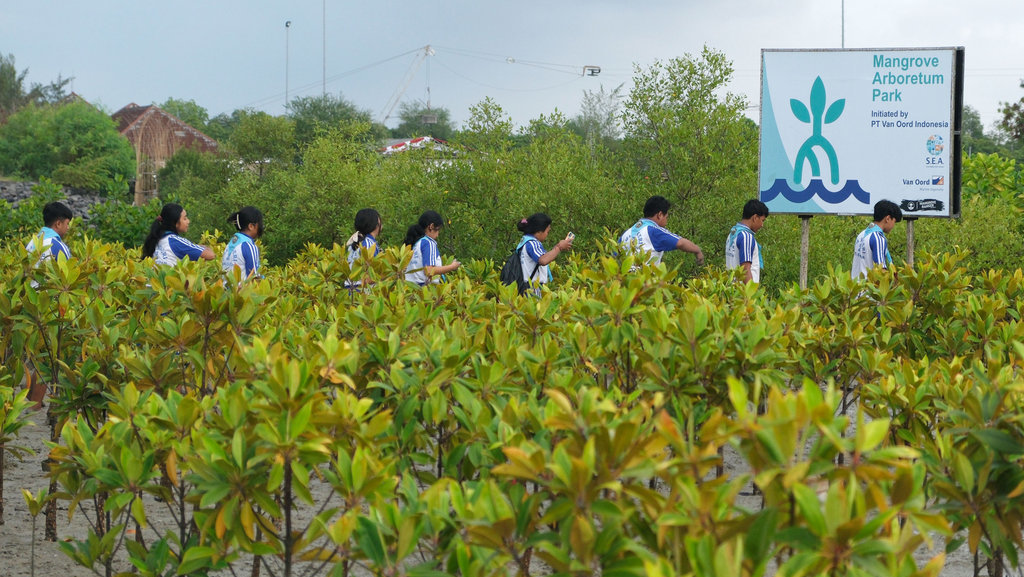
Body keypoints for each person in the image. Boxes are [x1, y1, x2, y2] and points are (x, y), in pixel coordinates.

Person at [619, 195, 704, 267]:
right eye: (666, 217)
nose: (666, 221)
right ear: (660, 215)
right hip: (646, 283)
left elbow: (614, 256)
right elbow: (681, 243)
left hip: (626, 283)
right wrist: (697, 250)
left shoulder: (626, 234)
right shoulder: (653, 231)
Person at [515, 213, 573, 294]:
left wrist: (558, 247)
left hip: (526, 286)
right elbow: (543, 260)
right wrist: (559, 247)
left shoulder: (524, 242)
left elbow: (543, 256)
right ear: (539, 231)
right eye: (547, 232)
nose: (547, 235)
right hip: (532, 289)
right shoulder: (533, 243)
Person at [142, 203, 215, 265]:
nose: (188, 221)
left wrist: (194, 246)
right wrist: (205, 247)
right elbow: (210, 255)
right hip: (169, 281)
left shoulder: (158, 238)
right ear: (175, 223)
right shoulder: (175, 241)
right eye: (185, 218)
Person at [403, 210, 460, 285]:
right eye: (438, 230)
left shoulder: (416, 244)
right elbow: (429, 271)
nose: (438, 234)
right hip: (424, 289)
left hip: (410, 288)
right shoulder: (429, 243)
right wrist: (452, 267)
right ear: (431, 226)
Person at [852, 199, 903, 280]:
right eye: (894, 221)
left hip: (855, 288)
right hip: (868, 290)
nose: (893, 226)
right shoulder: (878, 238)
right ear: (888, 218)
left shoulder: (862, 234)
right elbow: (880, 270)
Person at [725, 199, 769, 283]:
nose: (762, 225)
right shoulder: (746, 237)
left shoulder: (733, 233)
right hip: (743, 293)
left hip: (731, 289)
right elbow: (745, 269)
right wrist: (751, 294)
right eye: (762, 220)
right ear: (755, 217)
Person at [222, 206, 264, 281]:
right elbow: (254, 276)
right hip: (241, 292)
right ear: (251, 226)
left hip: (226, 291)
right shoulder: (249, 246)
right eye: (260, 224)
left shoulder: (230, 244)